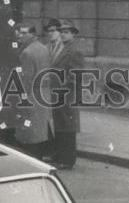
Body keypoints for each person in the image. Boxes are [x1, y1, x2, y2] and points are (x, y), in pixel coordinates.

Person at [13, 23, 54, 160]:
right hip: (43, 94)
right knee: (40, 128)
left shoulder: (26, 52)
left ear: (32, 34)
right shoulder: (43, 48)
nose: (20, 36)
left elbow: (26, 80)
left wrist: (19, 97)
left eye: (24, 33)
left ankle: (32, 159)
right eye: (19, 33)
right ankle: (41, 156)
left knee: (30, 131)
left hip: (31, 96)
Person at [49, 20, 85, 169]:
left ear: (73, 34)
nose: (63, 35)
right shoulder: (63, 48)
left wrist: (64, 86)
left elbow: (76, 74)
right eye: (62, 32)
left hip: (68, 95)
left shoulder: (74, 50)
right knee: (60, 125)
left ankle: (67, 160)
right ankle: (58, 156)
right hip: (58, 94)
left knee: (68, 127)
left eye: (66, 32)